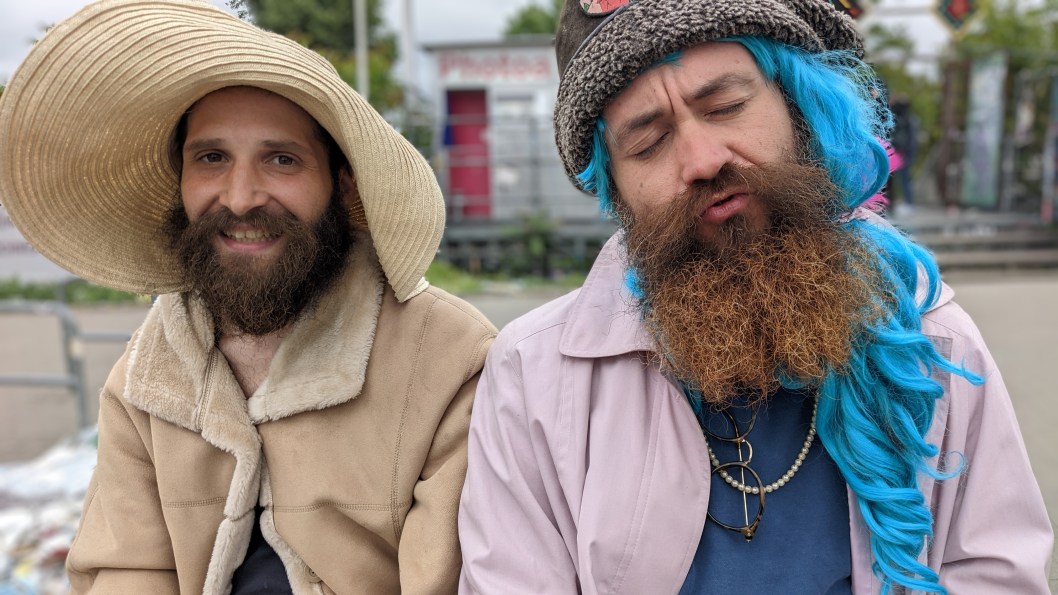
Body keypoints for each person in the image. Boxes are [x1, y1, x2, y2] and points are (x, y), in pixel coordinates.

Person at [458, 1, 1053, 593]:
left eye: (726, 107)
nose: (703, 160)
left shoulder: (936, 344)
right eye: (649, 142)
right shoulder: (535, 376)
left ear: (799, 106)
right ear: (614, 186)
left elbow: (996, 576)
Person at [0, 1, 496, 593]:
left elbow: (452, 580)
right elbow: (125, 570)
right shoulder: (145, 374)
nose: (239, 198)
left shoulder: (449, 359)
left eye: (281, 159)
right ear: (181, 180)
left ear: (341, 184)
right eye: (211, 158)